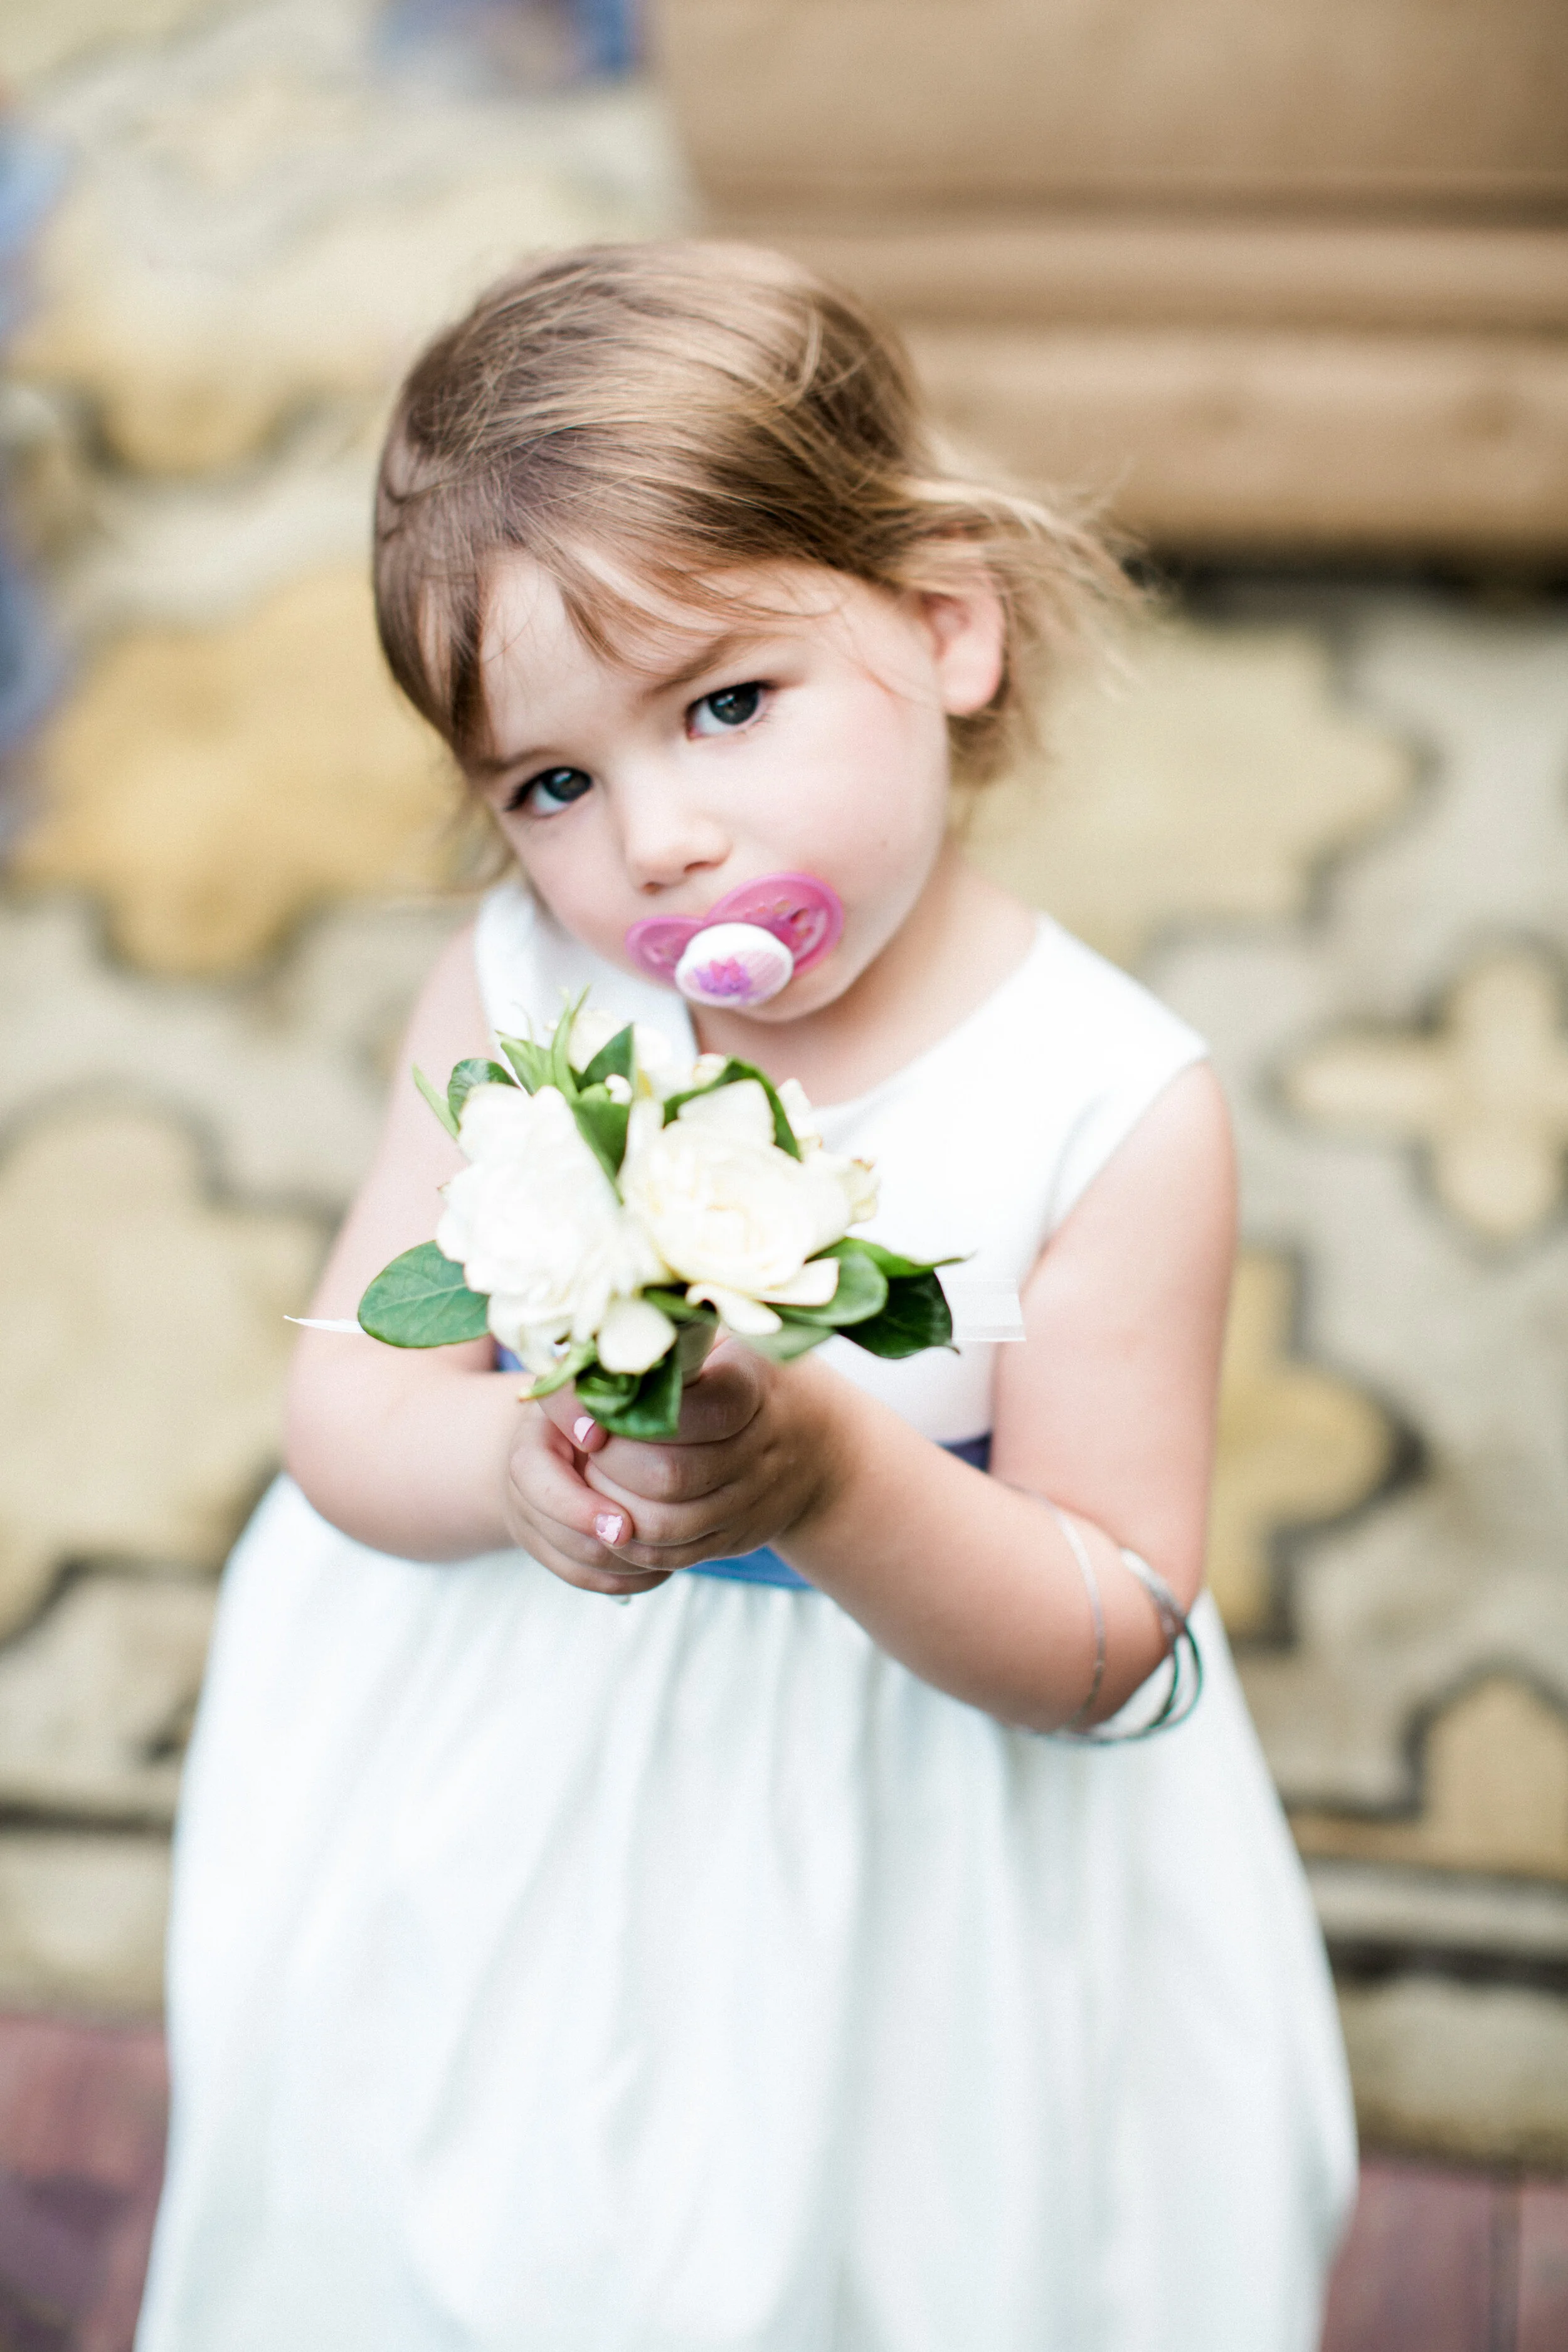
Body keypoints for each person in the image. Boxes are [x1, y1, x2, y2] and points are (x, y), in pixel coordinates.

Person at [137, 242, 1355, 2352]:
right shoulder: (523, 993)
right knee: (459, 2225)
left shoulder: (1108, 1108)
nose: (662, 844)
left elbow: (1103, 1630)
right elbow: (348, 1402)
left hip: (912, 1856)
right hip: (506, 1772)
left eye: (724, 704)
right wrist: (504, 1457)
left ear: (945, 625)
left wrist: (823, 1474)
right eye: (554, 783)